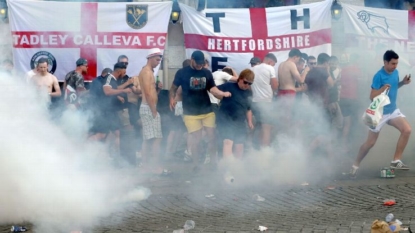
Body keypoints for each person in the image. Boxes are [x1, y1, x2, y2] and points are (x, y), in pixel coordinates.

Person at [349, 50, 411, 178]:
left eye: (396, 63)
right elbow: (372, 96)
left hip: (392, 110)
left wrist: (403, 83)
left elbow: (394, 87)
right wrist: (382, 89)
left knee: (407, 130)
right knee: (370, 143)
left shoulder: (396, 72)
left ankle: (396, 161)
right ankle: (355, 164)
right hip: (380, 113)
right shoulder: (379, 76)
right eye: (393, 64)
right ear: (385, 62)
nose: (395, 66)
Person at [169, 50, 231, 172]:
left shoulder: (206, 73)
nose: (199, 65)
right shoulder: (182, 73)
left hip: (207, 110)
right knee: (196, 139)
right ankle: (196, 164)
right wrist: (171, 99)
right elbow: (173, 88)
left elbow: (213, 89)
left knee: (212, 137)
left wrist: (222, 94)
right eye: (197, 63)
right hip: (190, 112)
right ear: (192, 59)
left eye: (201, 63)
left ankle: (213, 163)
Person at [217, 69, 255, 159]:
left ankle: (237, 168)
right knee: (228, 142)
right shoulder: (229, 86)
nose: (247, 85)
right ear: (240, 79)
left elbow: (248, 109)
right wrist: (222, 94)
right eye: (245, 82)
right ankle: (228, 168)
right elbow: (214, 90)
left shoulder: (248, 93)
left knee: (240, 145)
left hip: (240, 121)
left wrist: (250, 122)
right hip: (226, 119)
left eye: (250, 84)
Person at [138, 48, 164, 171]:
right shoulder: (147, 72)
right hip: (149, 108)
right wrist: (154, 110)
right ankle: (155, 167)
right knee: (156, 139)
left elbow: (150, 92)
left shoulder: (146, 71)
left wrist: (157, 89)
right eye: (157, 59)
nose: (158, 62)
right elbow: (148, 93)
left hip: (147, 107)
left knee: (149, 139)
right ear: (150, 58)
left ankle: (146, 166)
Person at [102, 62, 132, 158]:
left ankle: (106, 156)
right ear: (119, 71)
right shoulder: (109, 78)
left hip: (112, 110)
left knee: (112, 134)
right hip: (108, 110)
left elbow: (115, 89)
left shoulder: (113, 80)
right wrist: (123, 91)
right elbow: (107, 91)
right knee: (115, 134)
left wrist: (119, 94)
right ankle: (114, 158)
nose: (124, 74)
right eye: (123, 72)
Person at [251, 53, 278, 148]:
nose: (273, 66)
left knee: (257, 126)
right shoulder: (269, 68)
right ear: (270, 61)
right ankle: (265, 151)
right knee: (267, 127)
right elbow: (275, 86)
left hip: (254, 101)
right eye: (273, 64)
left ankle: (252, 147)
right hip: (266, 102)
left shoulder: (253, 69)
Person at [276, 48, 309, 128]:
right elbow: (301, 80)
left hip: (281, 92)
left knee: (282, 116)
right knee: (287, 116)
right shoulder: (291, 64)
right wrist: (306, 71)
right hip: (289, 94)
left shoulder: (281, 64)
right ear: (295, 57)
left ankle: (282, 134)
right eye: (298, 59)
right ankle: (286, 135)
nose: (298, 61)